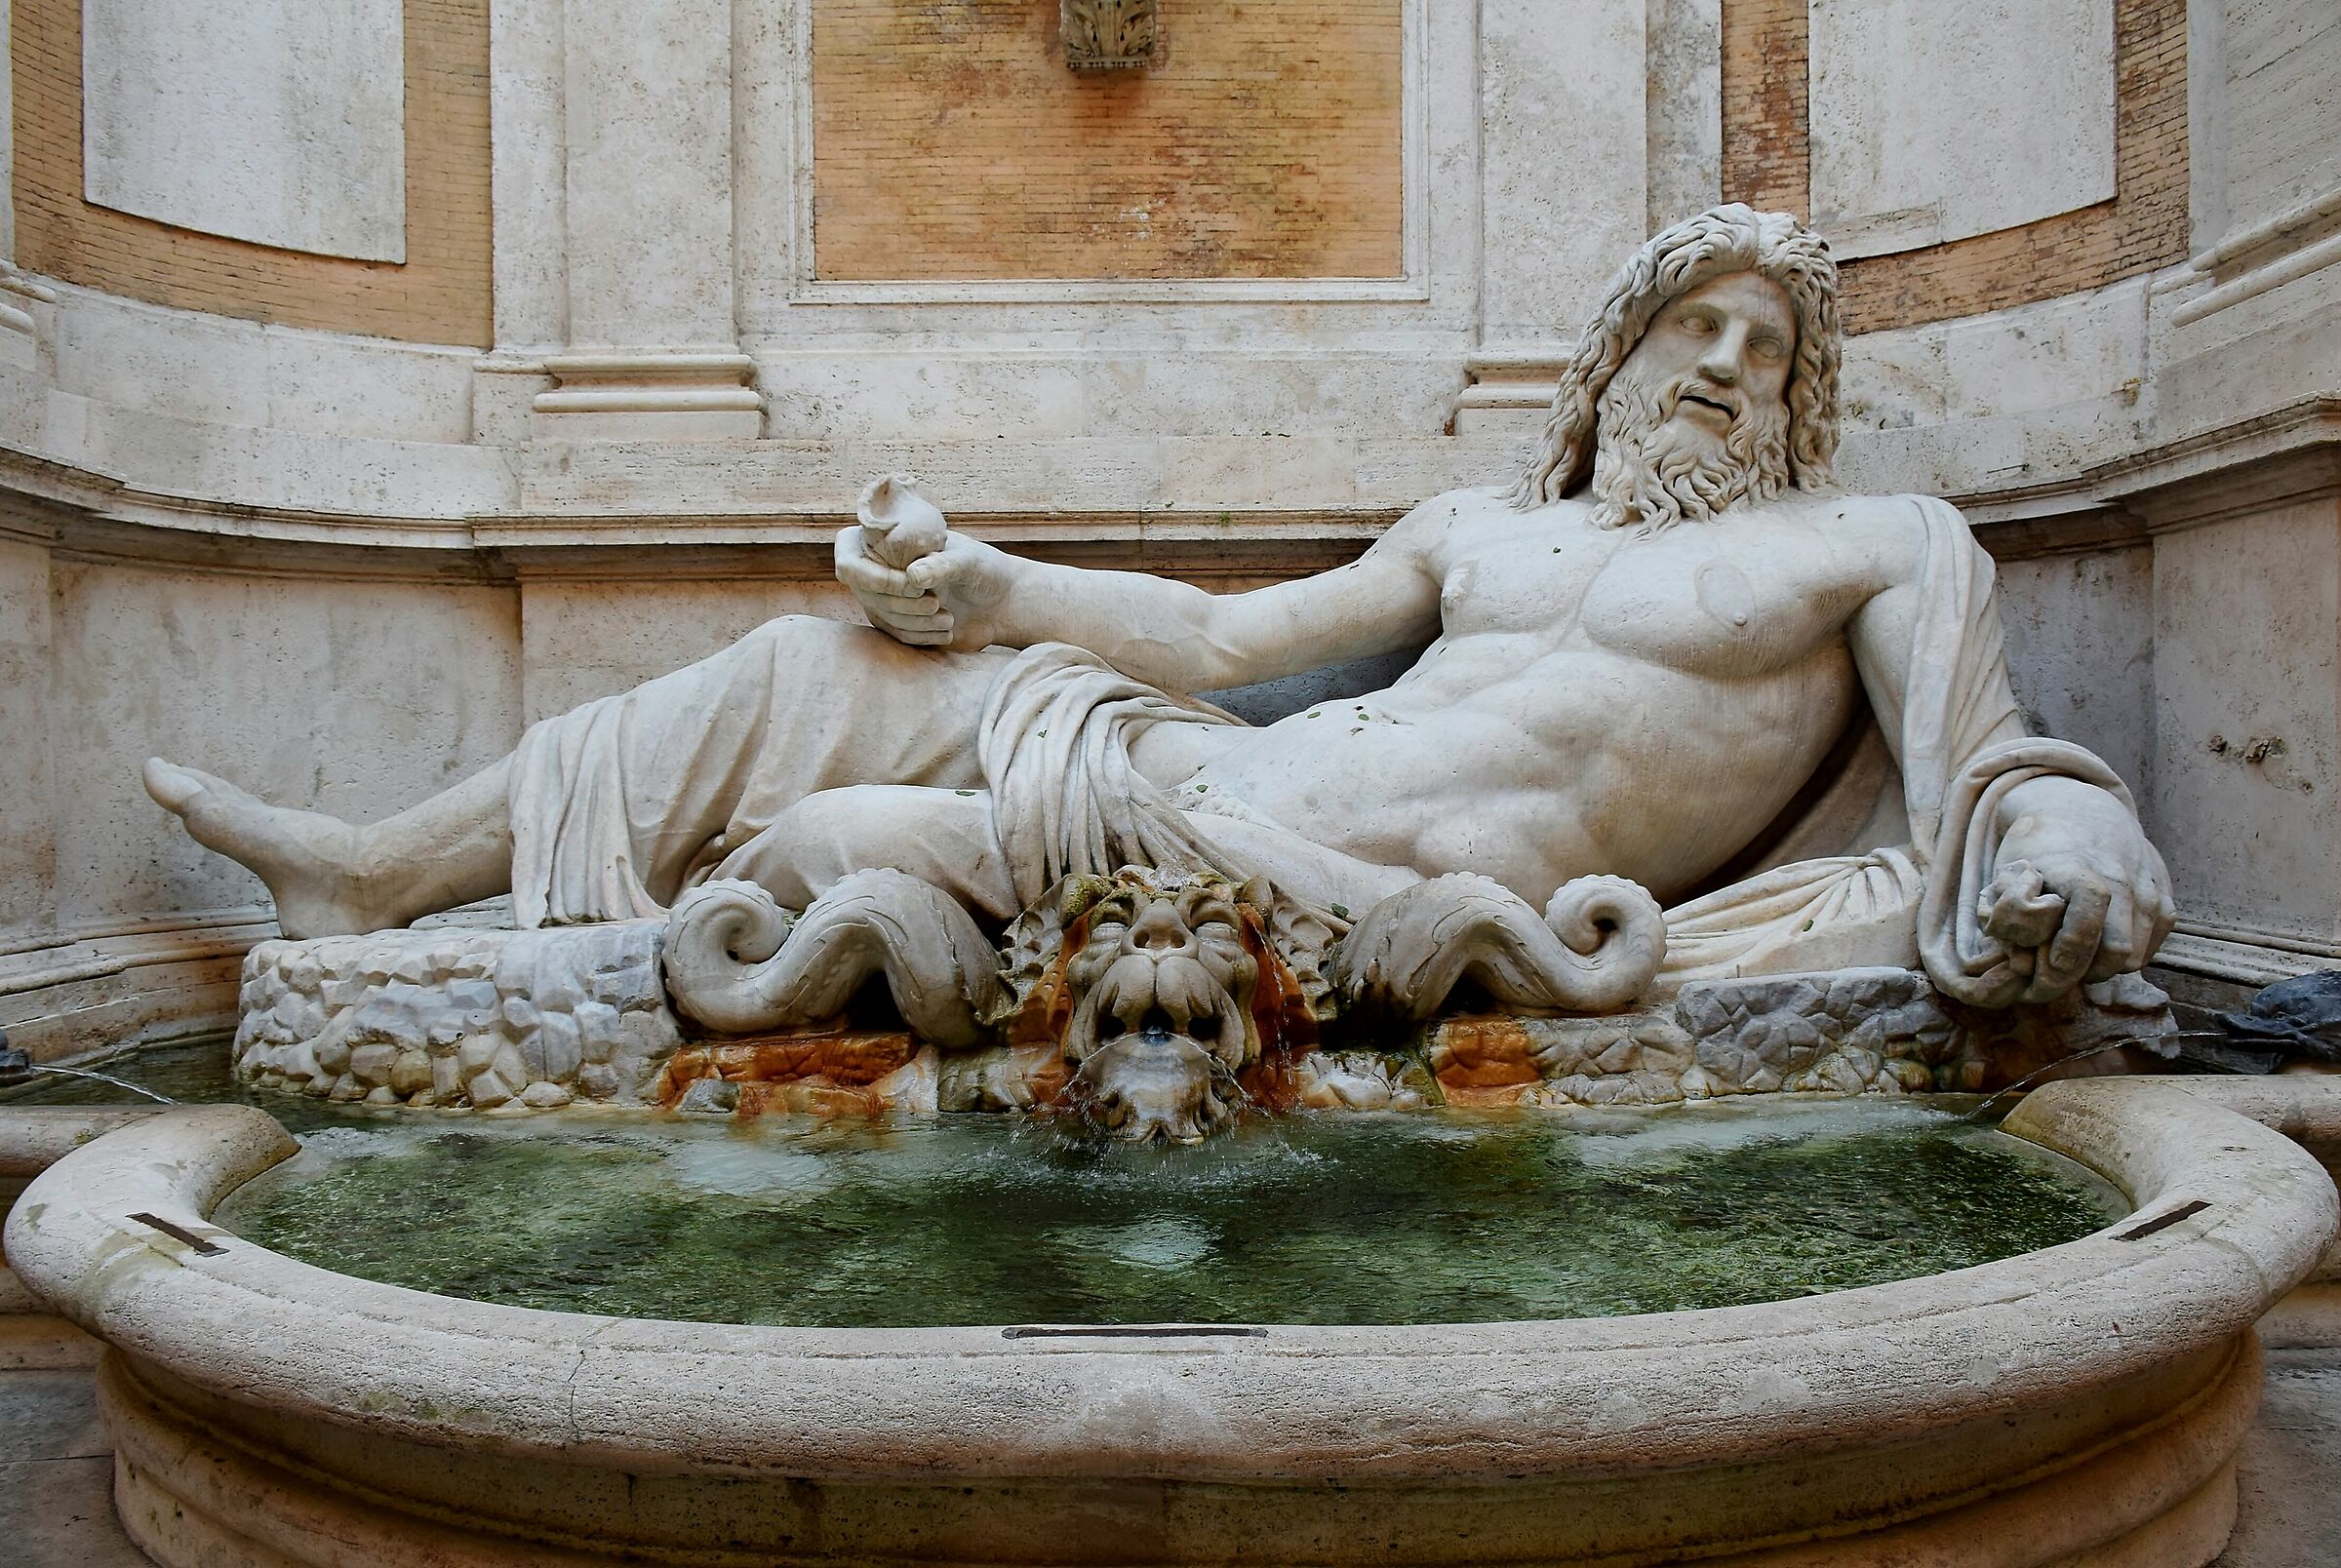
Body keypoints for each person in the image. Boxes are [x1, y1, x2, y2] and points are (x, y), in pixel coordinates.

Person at [144, 206, 2172, 1008]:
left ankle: (591, 980)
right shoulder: (1486, 528)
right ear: (1621, 356)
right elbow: (1216, 645)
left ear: (1805, 394)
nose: (1724, 361)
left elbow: (1987, 776)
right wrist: (985, 585)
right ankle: (377, 878)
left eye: (1763, 340)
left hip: (1360, 889)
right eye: (1689, 326)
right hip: (1215, 768)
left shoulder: (1878, 548)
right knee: (808, 664)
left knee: (844, 848)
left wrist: (2072, 841)